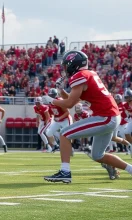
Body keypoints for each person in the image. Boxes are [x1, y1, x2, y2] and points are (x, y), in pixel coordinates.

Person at [42, 50, 132, 183]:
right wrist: (61, 91)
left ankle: (65, 172)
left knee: (65, 133)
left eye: (67, 65)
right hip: (110, 116)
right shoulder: (89, 73)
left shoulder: (80, 75)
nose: (66, 69)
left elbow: (69, 103)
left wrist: (51, 100)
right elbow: (75, 100)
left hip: (105, 116)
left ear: (74, 64)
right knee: (97, 155)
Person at [45, 88, 72, 154]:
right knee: (48, 133)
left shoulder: (59, 101)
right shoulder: (50, 103)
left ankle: (70, 149)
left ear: (55, 95)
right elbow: (52, 113)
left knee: (67, 136)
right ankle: (55, 145)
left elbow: (67, 112)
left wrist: (59, 118)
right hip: (57, 120)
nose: (51, 97)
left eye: (52, 95)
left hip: (65, 119)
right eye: (50, 95)